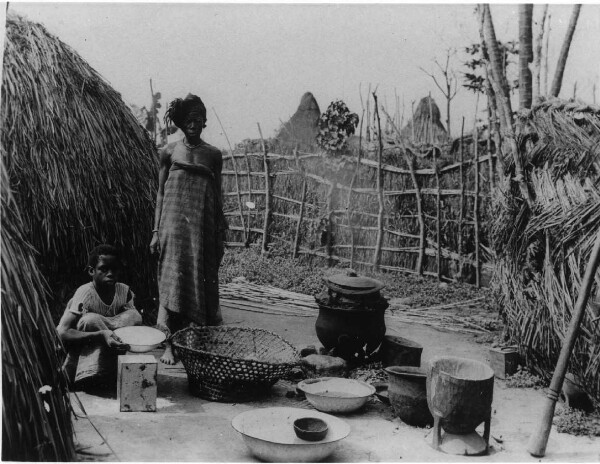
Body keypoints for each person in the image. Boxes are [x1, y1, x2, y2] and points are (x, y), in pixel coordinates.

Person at [149, 94, 227, 365]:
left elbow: (217, 196)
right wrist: (156, 232)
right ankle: (169, 344)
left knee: (198, 278)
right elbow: (160, 193)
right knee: (172, 281)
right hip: (172, 226)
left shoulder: (213, 155)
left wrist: (219, 231)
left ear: (205, 122)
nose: (194, 124)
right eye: (189, 119)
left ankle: (193, 343)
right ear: (182, 122)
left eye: (198, 119)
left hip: (201, 228)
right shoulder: (169, 152)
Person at [57, 244, 142, 387]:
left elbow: (132, 323)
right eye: (103, 269)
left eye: (114, 269)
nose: (110, 273)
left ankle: (113, 369)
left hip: (113, 347)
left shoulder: (124, 291)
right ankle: (89, 372)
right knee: (91, 320)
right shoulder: (85, 293)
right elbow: (62, 332)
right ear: (92, 271)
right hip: (86, 347)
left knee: (134, 315)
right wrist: (101, 334)